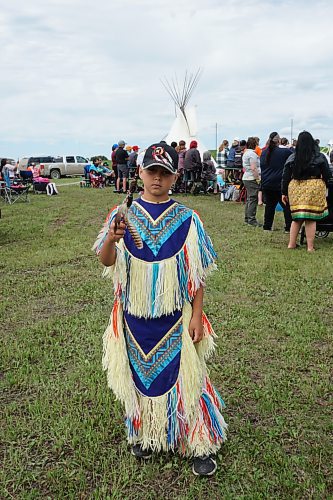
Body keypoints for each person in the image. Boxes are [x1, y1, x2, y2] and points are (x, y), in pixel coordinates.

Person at [93, 142, 227, 476]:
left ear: (175, 176)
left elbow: (196, 275)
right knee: (139, 382)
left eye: (164, 174)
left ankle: (196, 441)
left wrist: (196, 315)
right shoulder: (123, 216)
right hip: (133, 321)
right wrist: (111, 238)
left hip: (174, 321)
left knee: (186, 381)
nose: (157, 179)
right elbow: (106, 260)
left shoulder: (187, 219)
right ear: (139, 173)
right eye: (151, 171)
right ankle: (147, 433)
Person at [281, 131, 332, 251]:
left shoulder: (292, 157)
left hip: (295, 187)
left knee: (296, 218)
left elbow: (285, 176)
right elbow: (327, 174)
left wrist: (283, 192)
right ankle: (310, 247)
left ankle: (291, 244)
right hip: (314, 187)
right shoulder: (319, 156)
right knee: (311, 218)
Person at [260, 132, 293, 232]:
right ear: (279, 140)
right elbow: (294, 157)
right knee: (286, 206)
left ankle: (267, 226)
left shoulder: (264, 153)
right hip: (279, 184)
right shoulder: (284, 152)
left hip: (266, 183)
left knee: (269, 206)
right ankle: (288, 227)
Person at [242, 137, 261, 226]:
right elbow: (254, 168)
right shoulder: (252, 154)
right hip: (251, 178)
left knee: (250, 198)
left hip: (246, 177)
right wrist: (257, 178)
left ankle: (247, 217)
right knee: (253, 198)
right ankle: (251, 219)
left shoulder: (246, 153)